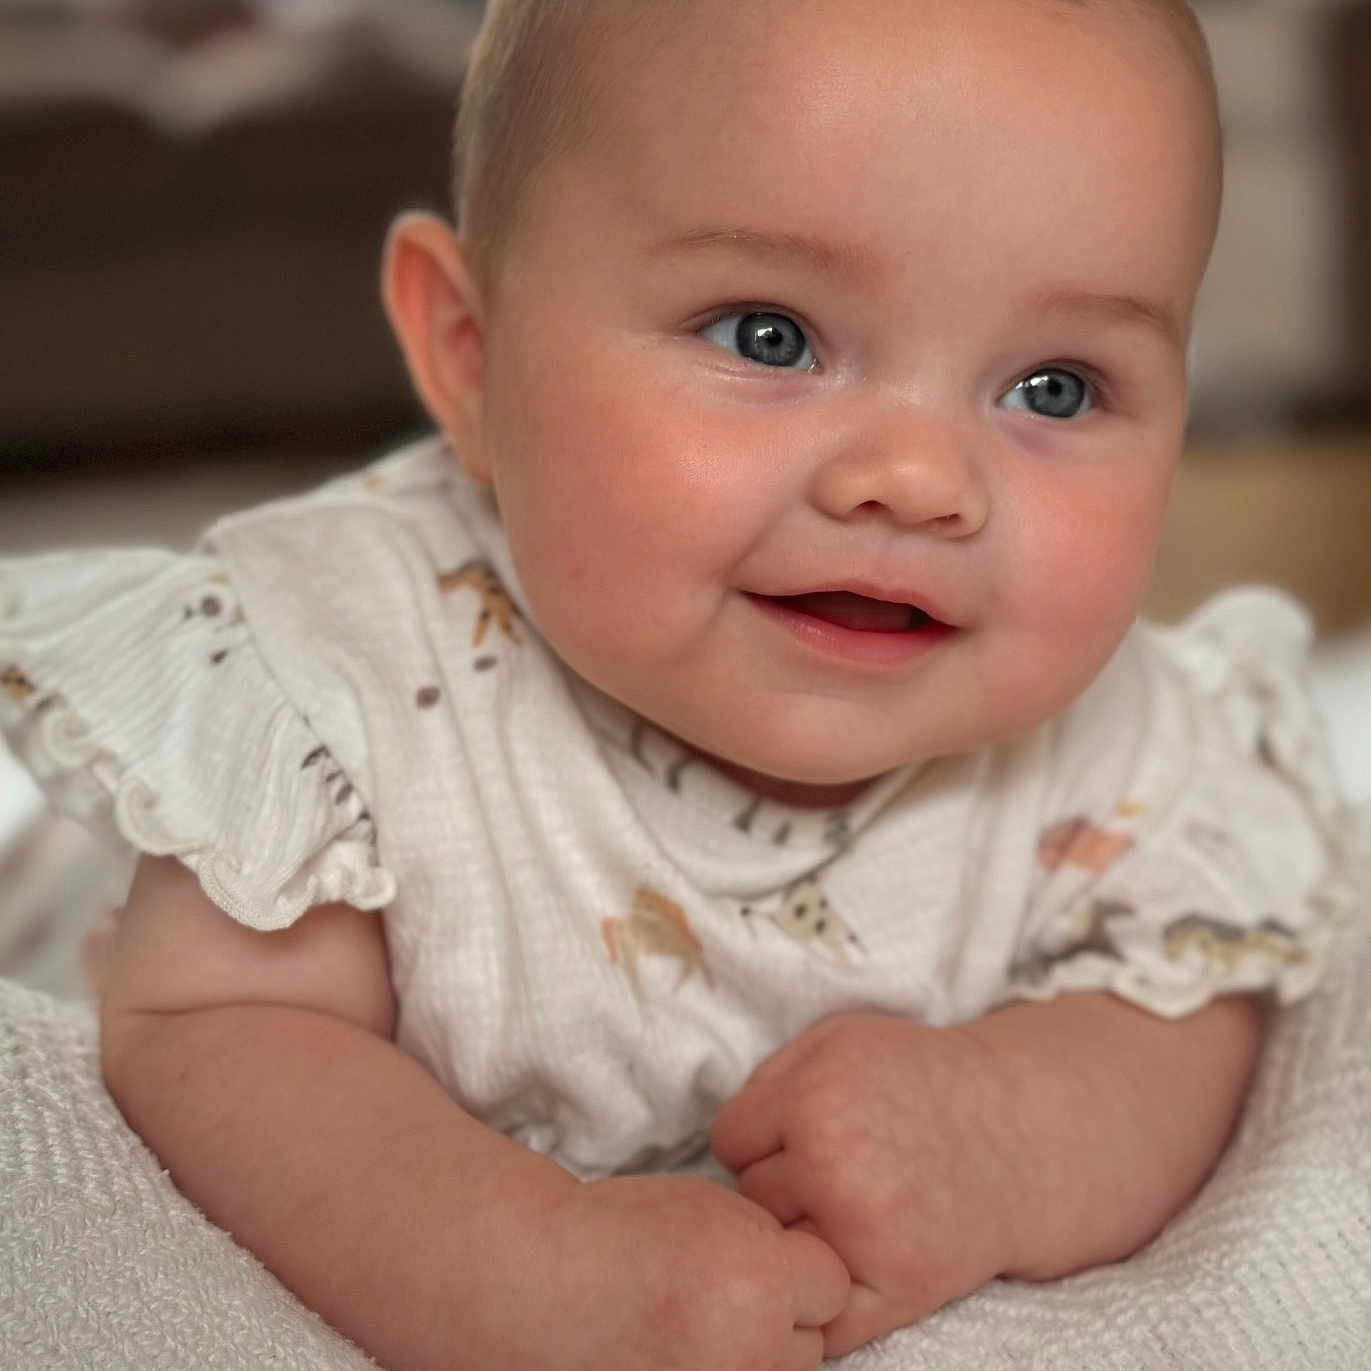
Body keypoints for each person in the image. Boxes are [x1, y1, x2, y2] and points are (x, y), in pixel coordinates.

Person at [0, 1, 1348, 1367]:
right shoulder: (339, 677)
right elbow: (214, 1026)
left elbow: (1195, 997)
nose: (923, 480)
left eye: (1056, 389)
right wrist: (532, 1266)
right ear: (472, 355)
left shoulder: (1120, 742)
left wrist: (1012, 1126)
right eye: (769, 336)